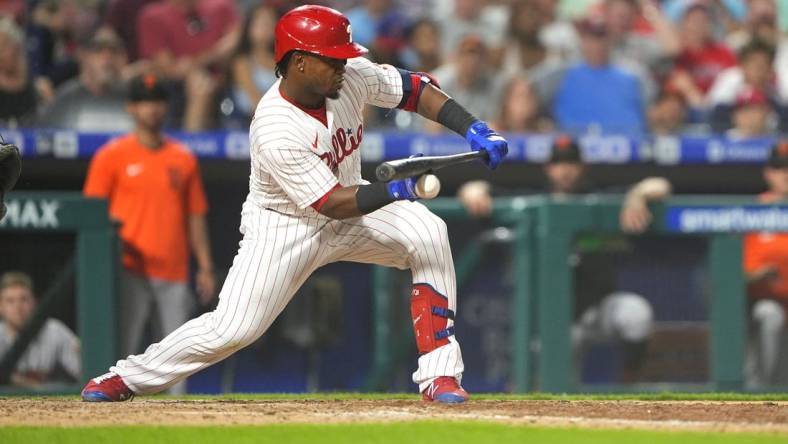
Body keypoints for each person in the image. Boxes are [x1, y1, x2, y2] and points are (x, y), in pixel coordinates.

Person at [80, 5, 507, 404]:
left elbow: (415, 91)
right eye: (332, 58)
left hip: (351, 199)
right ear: (300, 61)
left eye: (344, 56)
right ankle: (128, 377)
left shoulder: (349, 74)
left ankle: (439, 375)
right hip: (286, 226)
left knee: (428, 232)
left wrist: (472, 126)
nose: (344, 65)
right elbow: (331, 204)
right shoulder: (274, 125)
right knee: (232, 330)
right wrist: (396, 191)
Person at [458, 136, 669, 383]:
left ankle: (632, 378)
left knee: (636, 313)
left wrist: (638, 194)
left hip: (597, 310)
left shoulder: (598, 200)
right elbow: (473, 189)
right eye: (558, 163)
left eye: (571, 162)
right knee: (542, 386)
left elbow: (660, 184)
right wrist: (473, 191)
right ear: (548, 168)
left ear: (582, 166)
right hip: (552, 318)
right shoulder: (535, 202)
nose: (565, 170)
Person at [82, 73, 216, 392]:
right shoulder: (110, 156)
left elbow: (195, 215)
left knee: (180, 354)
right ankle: (111, 414)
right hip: (129, 268)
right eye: (144, 102)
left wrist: (206, 266)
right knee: (123, 346)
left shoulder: (182, 157)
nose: (152, 109)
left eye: (157, 102)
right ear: (131, 108)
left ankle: (178, 421)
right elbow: (91, 216)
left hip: (173, 269)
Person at [137, 0, 241, 130]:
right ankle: (191, 143)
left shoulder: (221, 6)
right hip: (175, 86)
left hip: (226, 78)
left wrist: (196, 62)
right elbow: (170, 69)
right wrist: (213, 55)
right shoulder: (153, 16)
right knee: (200, 84)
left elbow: (236, 40)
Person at [552, 16, 649, 134]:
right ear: (582, 40)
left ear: (611, 41)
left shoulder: (634, 75)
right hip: (573, 148)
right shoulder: (560, 74)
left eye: (602, 38)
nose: (597, 45)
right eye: (591, 39)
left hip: (627, 146)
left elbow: (651, 110)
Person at [743, 141, 788, 386]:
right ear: (768, 173)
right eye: (781, 168)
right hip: (759, 305)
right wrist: (756, 275)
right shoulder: (750, 212)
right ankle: (759, 395)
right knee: (769, 313)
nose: (787, 175)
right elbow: (729, 274)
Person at [36, 28, 132, 132]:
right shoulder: (64, 100)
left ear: (125, 58)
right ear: (83, 56)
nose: (107, 57)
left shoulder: (136, 100)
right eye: (98, 50)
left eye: (115, 51)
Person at [0, 271, 81, 387]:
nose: (18, 307)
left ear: (34, 302)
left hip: (50, 402)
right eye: (10, 301)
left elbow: (85, 372)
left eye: (23, 299)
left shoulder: (54, 331)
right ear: (1, 307)